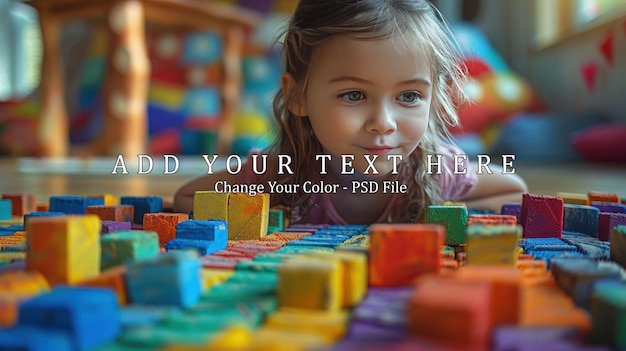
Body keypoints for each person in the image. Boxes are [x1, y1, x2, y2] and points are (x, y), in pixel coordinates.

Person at [174, 0, 527, 225]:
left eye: (408, 96)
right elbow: (186, 198)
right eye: (354, 94)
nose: (383, 123)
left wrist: (441, 211)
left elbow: (513, 191)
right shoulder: (279, 172)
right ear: (297, 94)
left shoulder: (434, 170)